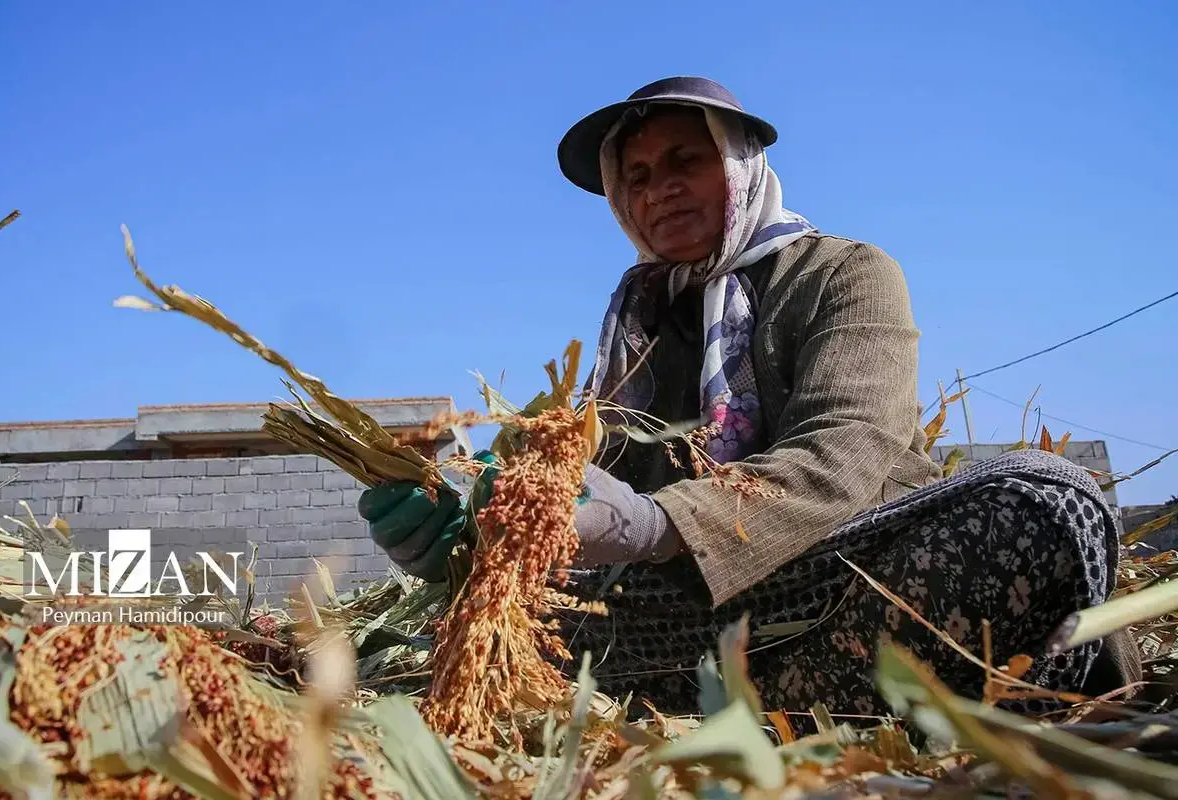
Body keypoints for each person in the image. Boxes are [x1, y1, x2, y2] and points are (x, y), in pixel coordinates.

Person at [357, 76, 1138, 721]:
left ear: (738, 164)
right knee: (521, 623)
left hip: (846, 578)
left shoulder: (844, 274)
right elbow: (548, 487)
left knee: (1047, 503)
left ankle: (791, 703)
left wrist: (655, 520)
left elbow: (844, 455)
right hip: (706, 620)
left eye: (682, 162)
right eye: (635, 177)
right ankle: (767, 706)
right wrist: (458, 536)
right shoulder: (632, 332)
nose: (658, 190)